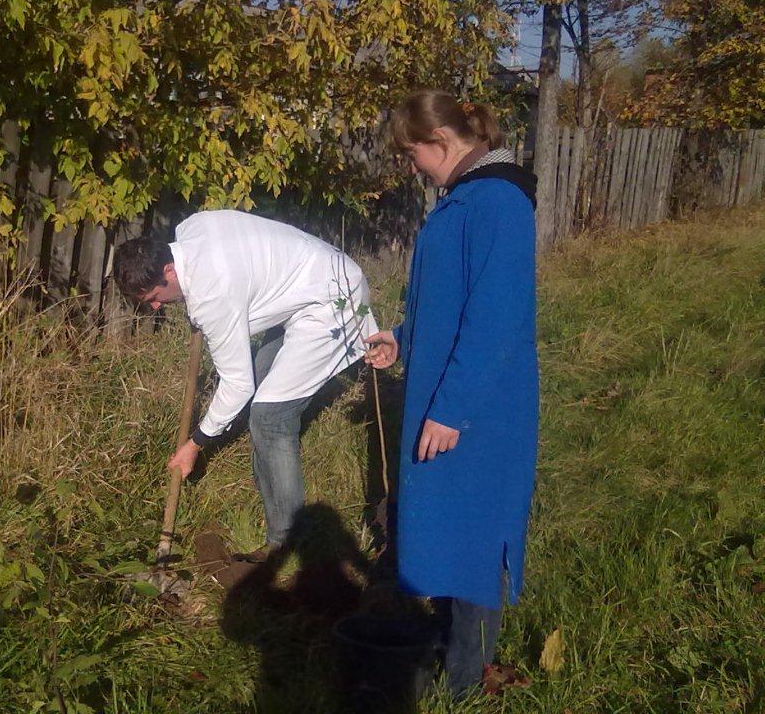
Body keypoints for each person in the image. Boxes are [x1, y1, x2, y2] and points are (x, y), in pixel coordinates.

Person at [365, 90, 539, 697]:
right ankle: (453, 657)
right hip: (451, 393)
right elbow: (451, 304)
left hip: (479, 407)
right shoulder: (465, 198)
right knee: (449, 530)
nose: (412, 166)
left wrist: (451, 408)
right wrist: (402, 339)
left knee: (471, 532)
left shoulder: (498, 202)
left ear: (439, 142)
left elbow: (495, 316)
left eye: (413, 153)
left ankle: (465, 683)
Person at [114, 210, 378, 561]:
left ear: (169, 269)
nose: (158, 305)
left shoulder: (212, 294)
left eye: (154, 297)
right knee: (264, 392)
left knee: (270, 416)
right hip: (309, 281)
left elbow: (238, 385)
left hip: (332, 300)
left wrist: (196, 443)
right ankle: (274, 501)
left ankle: (286, 540)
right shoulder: (189, 229)